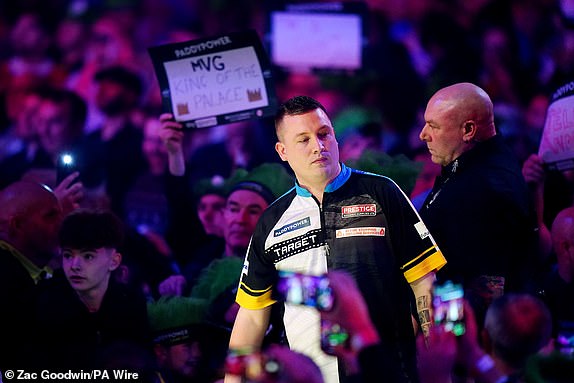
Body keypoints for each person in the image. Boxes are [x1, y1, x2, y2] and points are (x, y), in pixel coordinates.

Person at [228, 95, 446, 383]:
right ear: (282, 151)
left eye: (323, 134)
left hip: (387, 371)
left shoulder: (382, 192)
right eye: (303, 140)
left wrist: (437, 362)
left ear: (335, 136)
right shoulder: (270, 221)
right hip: (309, 377)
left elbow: (423, 282)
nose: (318, 147)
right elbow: (253, 317)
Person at [418, 82, 538, 324]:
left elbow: (487, 293)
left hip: (461, 332)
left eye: (433, 126)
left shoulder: (486, 190)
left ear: (469, 130)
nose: (423, 134)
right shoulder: (470, 161)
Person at [35, 209, 151, 370]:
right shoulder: (44, 302)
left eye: (88, 256)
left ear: (114, 261)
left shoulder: (132, 304)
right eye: (68, 255)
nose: (74, 266)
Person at [0, 180, 63, 369]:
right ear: (17, 224)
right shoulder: (7, 284)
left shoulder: (39, 269)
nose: (63, 223)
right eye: (51, 216)